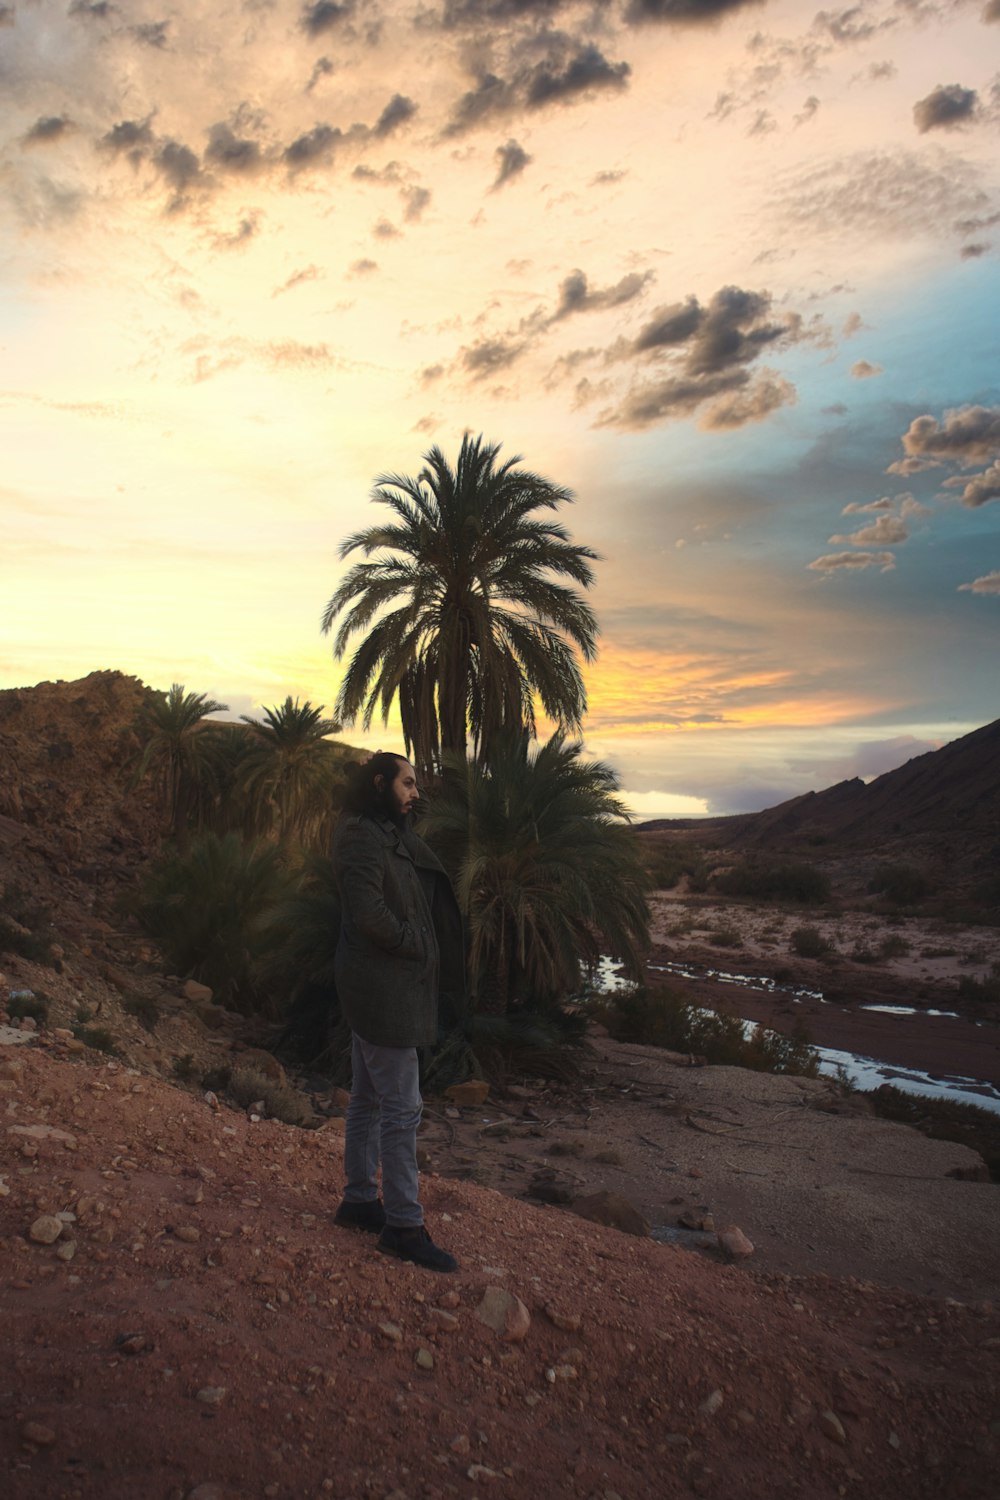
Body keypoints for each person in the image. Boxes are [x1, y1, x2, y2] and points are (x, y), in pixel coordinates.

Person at [331, 751, 464, 1272]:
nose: (415, 794)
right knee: (402, 1108)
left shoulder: (381, 829)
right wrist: (417, 944)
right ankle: (404, 1225)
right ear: (381, 782)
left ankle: (360, 1200)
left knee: (365, 1098)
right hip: (382, 988)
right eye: (408, 784)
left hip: (379, 984)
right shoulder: (362, 834)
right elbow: (368, 912)